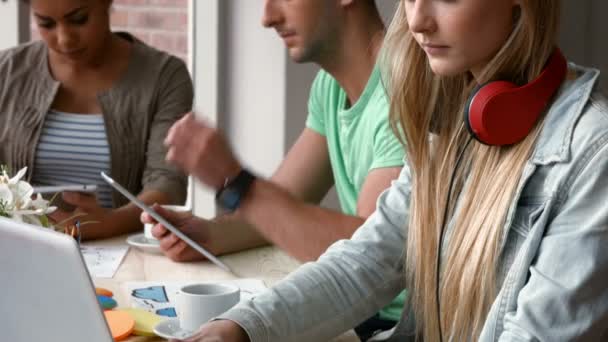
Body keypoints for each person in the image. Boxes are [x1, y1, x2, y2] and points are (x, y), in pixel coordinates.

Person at [171, 0, 608, 341]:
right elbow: (368, 261)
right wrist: (243, 328)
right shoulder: (451, 123)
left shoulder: (595, 152)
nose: (417, 21)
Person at [142, 0, 405, 338]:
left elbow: (369, 258)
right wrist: (209, 235)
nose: (268, 18)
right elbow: (281, 205)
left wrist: (236, 181)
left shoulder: (404, 92)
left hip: (393, 325)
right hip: (355, 317)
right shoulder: (329, 88)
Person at [0, 0, 193, 240]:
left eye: (79, 19)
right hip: (19, 252)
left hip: (123, 257)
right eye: (46, 24)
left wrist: (111, 223)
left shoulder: (164, 77)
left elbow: (168, 185)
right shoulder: (6, 72)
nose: (64, 39)